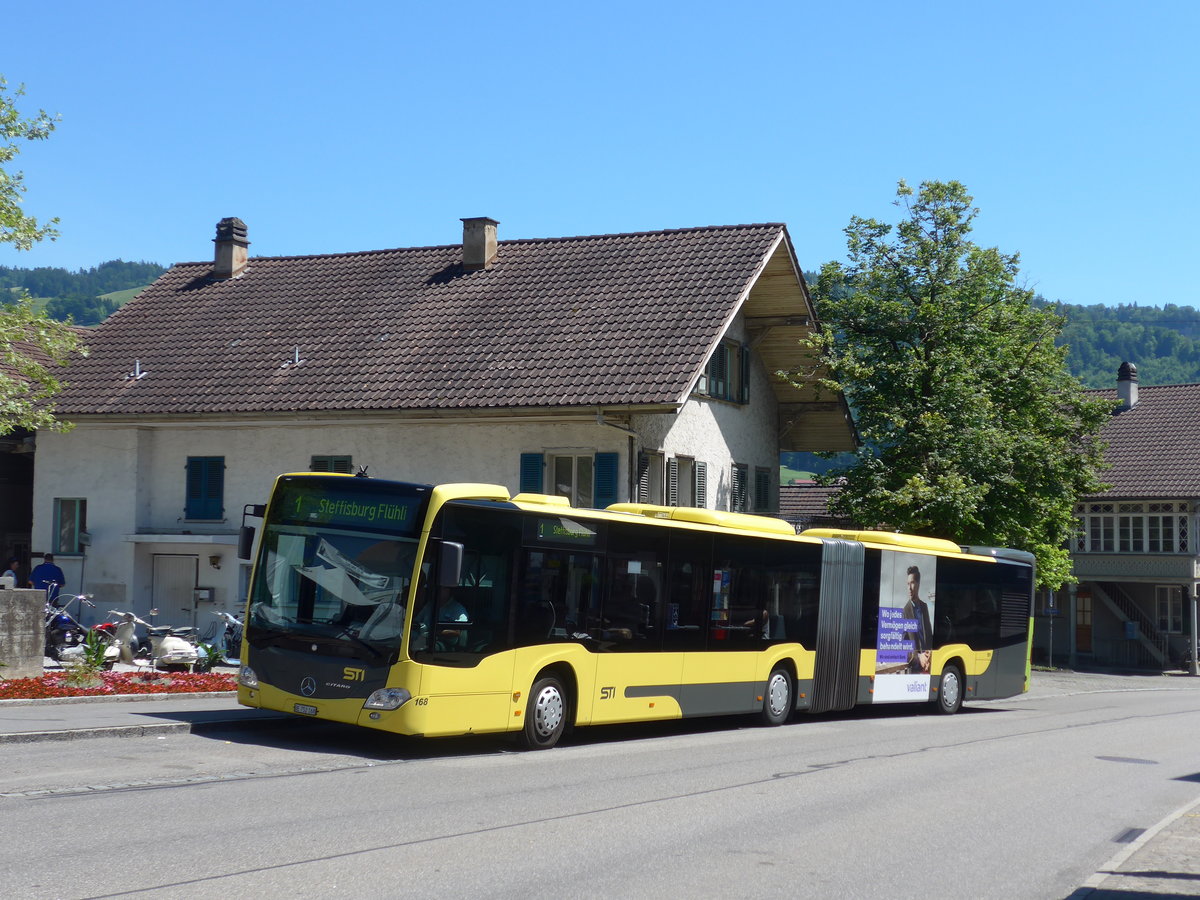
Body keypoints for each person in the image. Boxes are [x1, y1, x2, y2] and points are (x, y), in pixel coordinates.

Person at [903, 565, 933, 674]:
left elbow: (929, 636)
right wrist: (919, 657)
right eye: (908, 584)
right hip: (914, 667)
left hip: (928, 665)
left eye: (912, 583)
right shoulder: (905, 611)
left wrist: (929, 655)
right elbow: (902, 646)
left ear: (918, 584)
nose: (909, 588)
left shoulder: (924, 607)